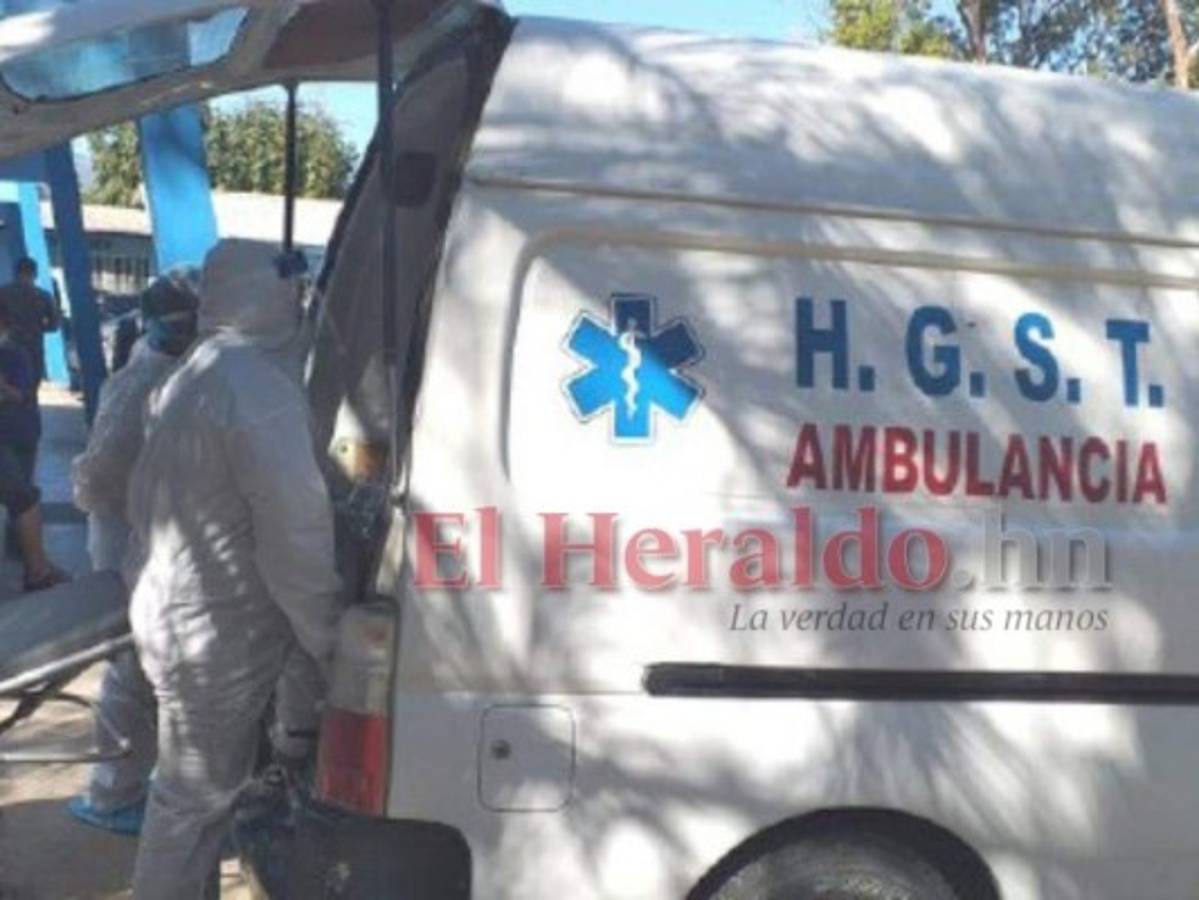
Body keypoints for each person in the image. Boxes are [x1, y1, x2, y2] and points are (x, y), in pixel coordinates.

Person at [126, 240, 340, 899]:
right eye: (292, 295)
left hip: (175, 611)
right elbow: (294, 534)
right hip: (215, 634)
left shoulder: (198, 371)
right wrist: (328, 634)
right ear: (268, 299)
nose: (299, 307)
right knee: (191, 805)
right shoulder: (258, 391)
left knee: (190, 800)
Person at [67, 271, 201, 836]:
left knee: (154, 663)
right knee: (130, 663)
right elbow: (100, 477)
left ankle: (133, 781)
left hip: (157, 538)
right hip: (125, 536)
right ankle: (114, 792)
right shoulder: (141, 381)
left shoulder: (183, 375)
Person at [0, 304, 68, 591]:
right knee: (24, 498)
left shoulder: (14, 353)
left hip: (17, 432)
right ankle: (37, 571)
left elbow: (22, 394)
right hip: (14, 434)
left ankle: (24, 555)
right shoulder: (16, 351)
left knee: (22, 495)